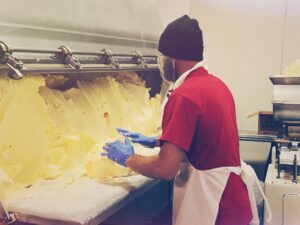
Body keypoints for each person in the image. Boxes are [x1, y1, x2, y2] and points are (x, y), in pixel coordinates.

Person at [103, 15, 256, 225]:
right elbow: (205, 138)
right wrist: (159, 141)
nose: (162, 63)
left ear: (174, 59)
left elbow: (165, 169)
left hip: (215, 206)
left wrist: (128, 158)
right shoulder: (216, 85)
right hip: (233, 200)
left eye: (163, 58)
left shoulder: (184, 96)